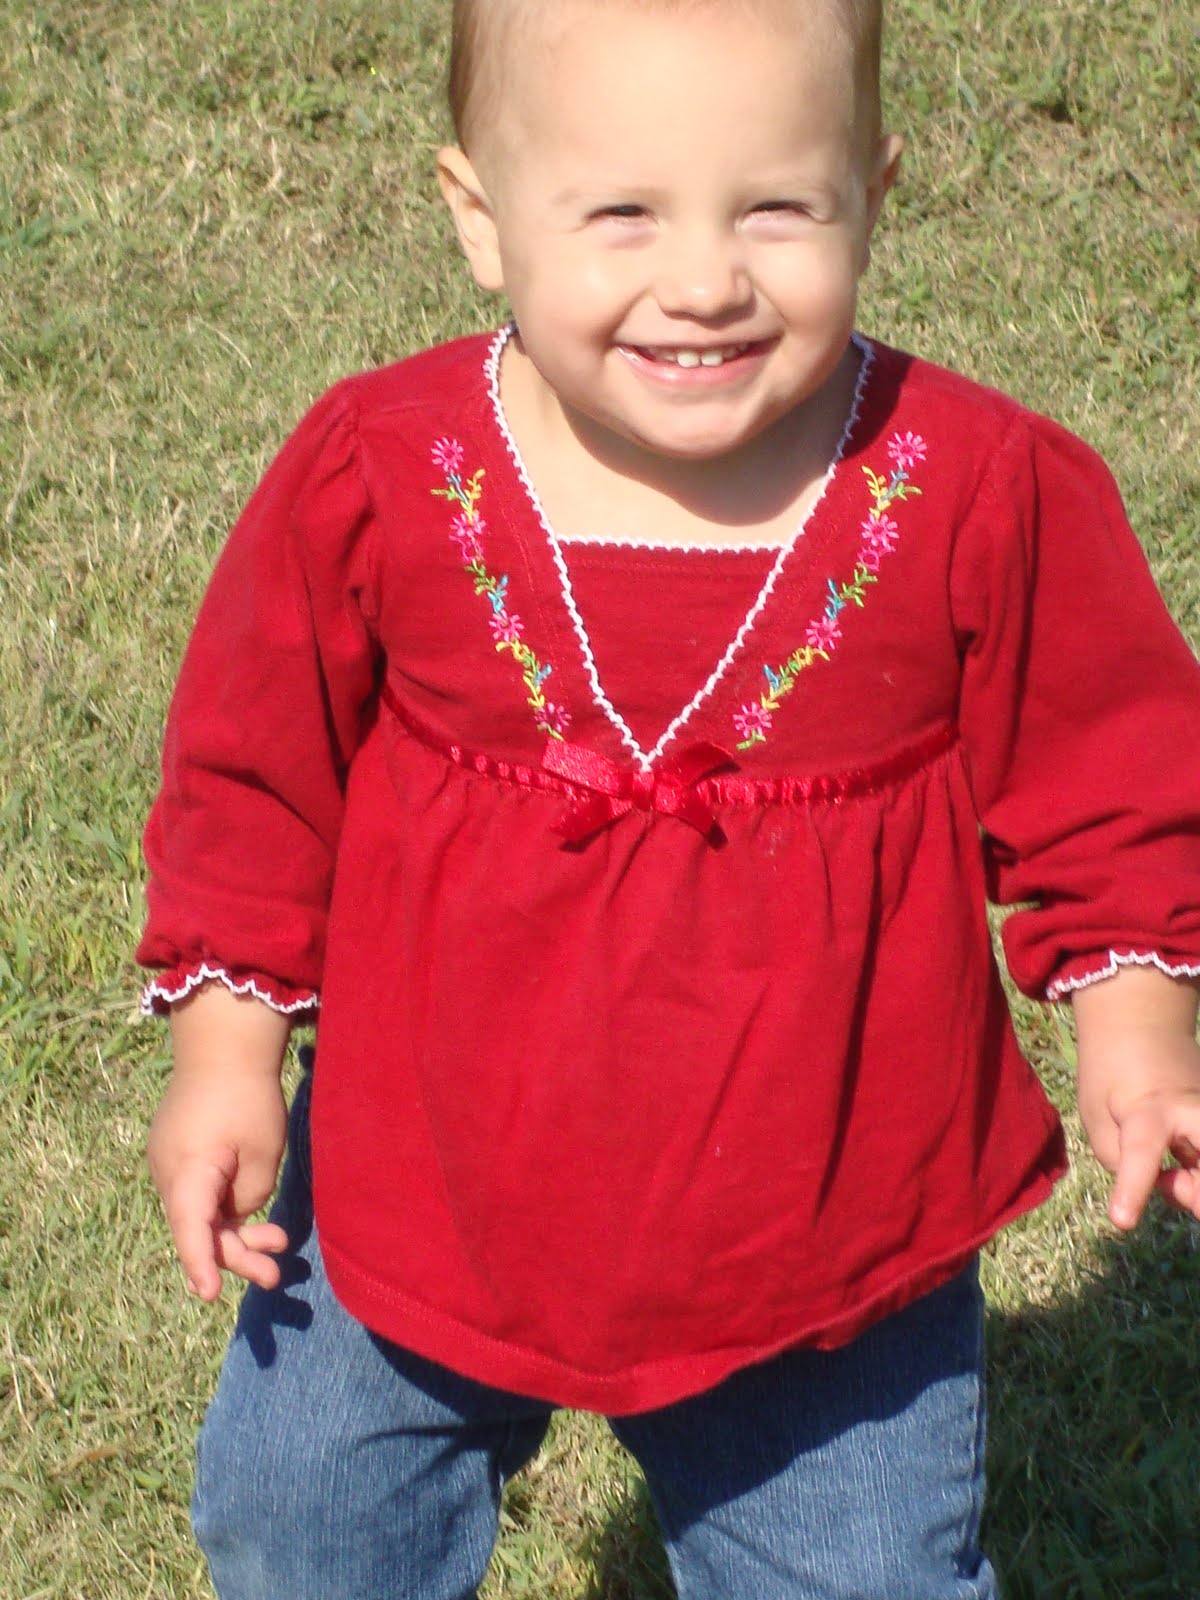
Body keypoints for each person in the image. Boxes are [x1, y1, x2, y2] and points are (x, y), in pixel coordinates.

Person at [138, 0, 1200, 1594]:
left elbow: (1113, 777)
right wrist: (227, 1059)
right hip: (420, 1188)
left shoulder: (972, 489)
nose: (705, 280)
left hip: (825, 1237)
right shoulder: (385, 471)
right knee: (305, 1515)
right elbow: (252, 784)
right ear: (481, 217)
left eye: (776, 207)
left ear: (872, 194)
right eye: (624, 212)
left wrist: (1139, 1028)